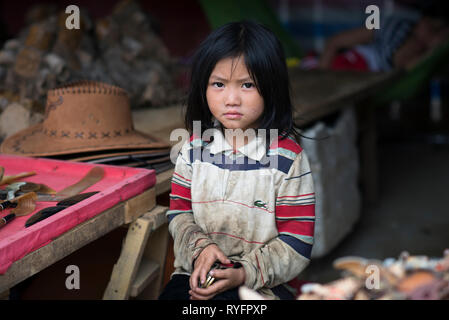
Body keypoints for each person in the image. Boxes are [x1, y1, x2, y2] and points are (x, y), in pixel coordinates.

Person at [158, 20, 315, 300]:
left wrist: (244, 272)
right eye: (218, 84)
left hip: (264, 285)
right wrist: (202, 249)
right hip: (195, 274)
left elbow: (297, 243)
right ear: (202, 87)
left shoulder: (287, 158)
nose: (231, 99)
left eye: (247, 85)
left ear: (271, 87)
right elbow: (179, 214)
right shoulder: (193, 149)